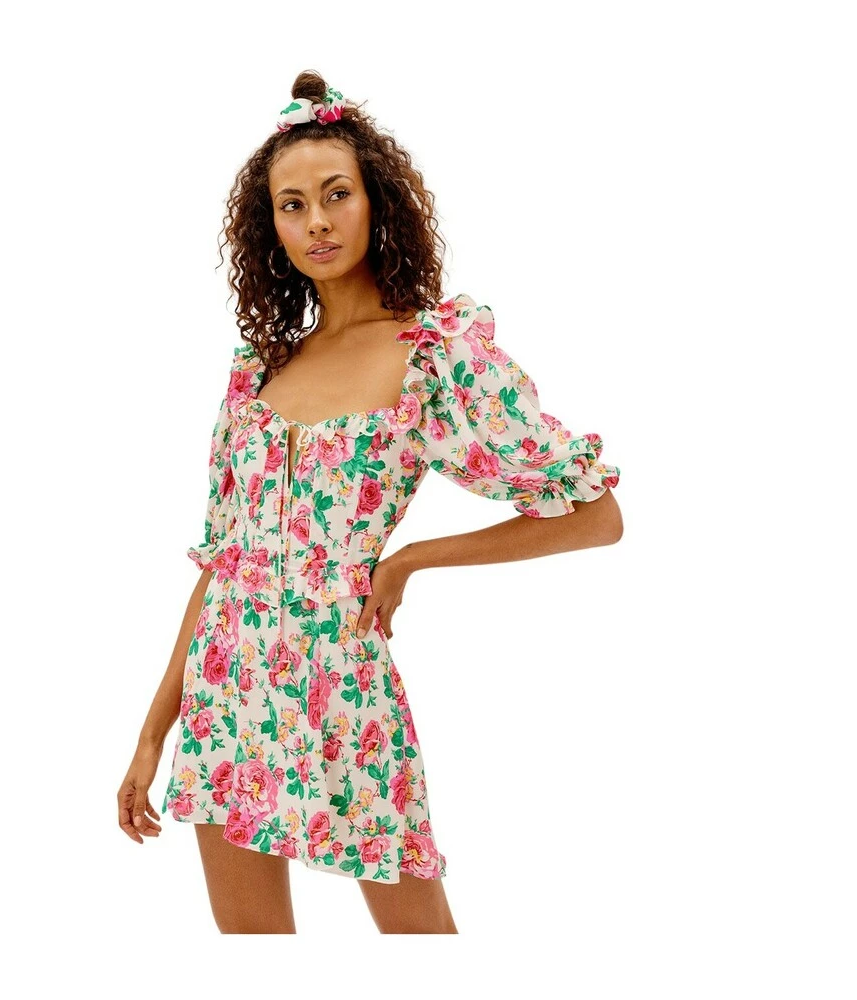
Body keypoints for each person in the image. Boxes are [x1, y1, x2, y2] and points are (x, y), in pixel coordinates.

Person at [117, 71, 624, 934]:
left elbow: (595, 515)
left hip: (343, 699)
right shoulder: (257, 373)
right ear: (270, 229)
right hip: (224, 695)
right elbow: (222, 566)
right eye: (292, 205)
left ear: (375, 202)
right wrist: (151, 732)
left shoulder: (434, 354)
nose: (316, 221)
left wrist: (412, 559)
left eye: (336, 195)